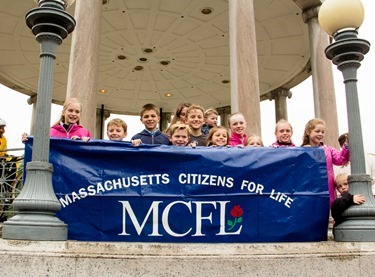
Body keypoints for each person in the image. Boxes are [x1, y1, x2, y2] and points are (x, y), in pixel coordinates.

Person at [301, 118, 350, 207]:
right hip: (309, 191)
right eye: (317, 131)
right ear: (308, 132)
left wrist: (346, 146)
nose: (320, 134)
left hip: (328, 191)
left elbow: (341, 160)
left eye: (323, 132)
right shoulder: (301, 151)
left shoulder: (328, 150)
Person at [22, 97, 91, 142]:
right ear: (63, 112)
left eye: (77, 112)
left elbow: (91, 154)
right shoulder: (51, 132)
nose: (73, 114)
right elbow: (39, 146)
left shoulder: (85, 133)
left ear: (80, 114)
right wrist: (28, 140)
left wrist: (87, 143)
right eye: (70, 110)